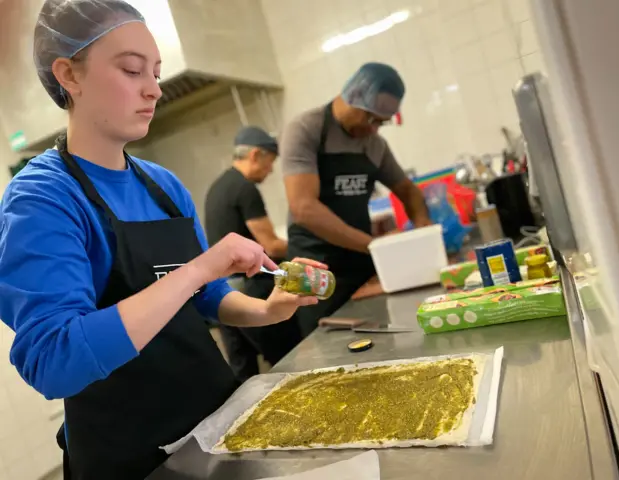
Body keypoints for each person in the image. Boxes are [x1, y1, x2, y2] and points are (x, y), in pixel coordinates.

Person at [0, 1, 323, 478]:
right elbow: (54, 360)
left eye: (156, 72)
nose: (153, 89)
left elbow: (206, 299)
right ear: (69, 74)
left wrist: (266, 309)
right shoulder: (42, 198)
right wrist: (201, 266)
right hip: (130, 457)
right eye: (132, 70)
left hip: (212, 431)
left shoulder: (163, 186)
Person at [281, 63, 432, 337]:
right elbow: (303, 208)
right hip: (314, 266)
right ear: (352, 96)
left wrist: (423, 230)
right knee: (327, 350)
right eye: (371, 119)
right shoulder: (307, 129)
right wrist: (376, 246)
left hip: (361, 261)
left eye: (382, 123)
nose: (374, 129)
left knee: (380, 339)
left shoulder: (375, 146)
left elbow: (408, 191)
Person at [204, 126, 300, 382]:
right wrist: (304, 247)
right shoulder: (245, 189)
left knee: (243, 370)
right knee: (288, 359)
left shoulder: (218, 187)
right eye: (270, 163)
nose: (269, 171)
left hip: (222, 293)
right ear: (256, 155)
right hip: (250, 287)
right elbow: (269, 244)